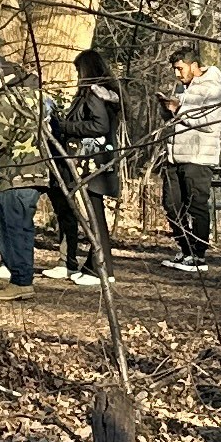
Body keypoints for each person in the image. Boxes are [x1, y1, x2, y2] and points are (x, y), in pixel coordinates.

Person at [47, 47, 126, 285]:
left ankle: (101, 270)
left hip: (93, 164)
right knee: (94, 216)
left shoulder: (93, 96)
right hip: (99, 163)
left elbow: (99, 126)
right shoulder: (107, 95)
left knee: (95, 217)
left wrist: (67, 127)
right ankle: (95, 265)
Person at [0, 60, 44, 287]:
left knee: (10, 229)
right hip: (36, 172)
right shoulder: (37, 96)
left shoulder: (6, 101)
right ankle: (21, 280)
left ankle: (21, 282)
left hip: (11, 174)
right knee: (22, 227)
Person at [159, 46, 221, 270]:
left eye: (180, 69)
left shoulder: (214, 89)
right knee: (171, 205)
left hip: (198, 158)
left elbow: (210, 123)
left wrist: (179, 110)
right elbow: (178, 119)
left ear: (195, 66)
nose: (177, 74)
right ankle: (185, 249)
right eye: (175, 70)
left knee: (196, 206)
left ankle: (198, 256)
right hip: (174, 157)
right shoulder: (182, 88)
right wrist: (167, 110)